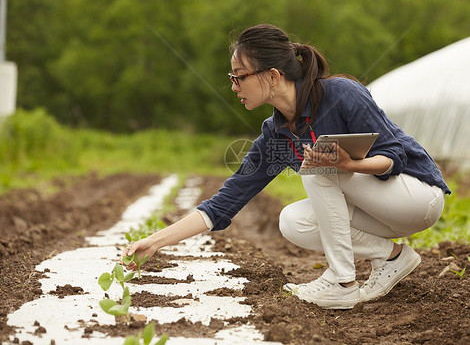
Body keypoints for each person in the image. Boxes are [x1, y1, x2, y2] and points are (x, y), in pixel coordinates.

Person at [122, 23, 450, 310]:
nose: (234, 86)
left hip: (417, 195)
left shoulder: (341, 94)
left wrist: (350, 163)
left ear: (273, 76)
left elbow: (394, 156)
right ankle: (392, 256)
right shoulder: (275, 135)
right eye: (231, 78)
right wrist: (155, 242)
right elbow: (226, 201)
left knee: (317, 165)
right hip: (379, 215)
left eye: (239, 77)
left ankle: (342, 282)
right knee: (293, 221)